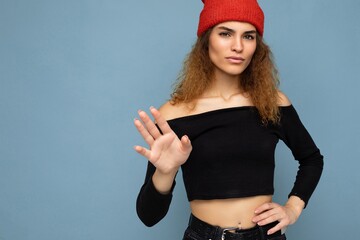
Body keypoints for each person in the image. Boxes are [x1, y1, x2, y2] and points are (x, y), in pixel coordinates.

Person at [133, 0, 324, 239]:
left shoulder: (272, 103)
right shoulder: (174, 114)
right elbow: (148, 216)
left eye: (249, 36)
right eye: (225, 33)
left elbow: (311, 159)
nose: (238, 46)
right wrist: (166, 172)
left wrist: (293, 208)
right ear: (206, 40)